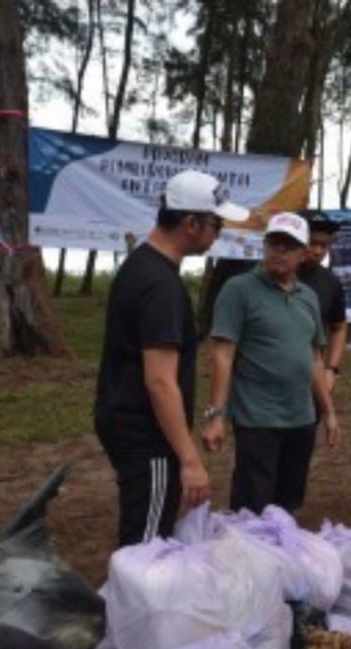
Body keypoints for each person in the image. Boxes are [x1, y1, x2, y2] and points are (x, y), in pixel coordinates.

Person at [94, 169, 247, 545]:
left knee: (145, 526)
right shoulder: (160, 285)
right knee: (145, 545)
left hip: (127, 422)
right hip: (146, 434)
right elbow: (160, 381)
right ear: (191, 223)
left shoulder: (141, 266)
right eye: (217, 223)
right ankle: (134, 603)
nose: (220, 233)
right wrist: (190, 460)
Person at [202, 212, 342, 514]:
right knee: (252, 510)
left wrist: (328, 412)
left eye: (289, 246)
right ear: (264, 246)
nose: (280, 252)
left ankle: (280, 560)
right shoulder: (239, 289)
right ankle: (250, 560)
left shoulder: (309, 297)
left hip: (301, 420)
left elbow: (314, 357)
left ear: (304, 254)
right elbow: (222, 355)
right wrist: (216, 416)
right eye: (274, 244)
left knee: (288, 506)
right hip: (257, 421)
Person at [297, 209, 349, 392]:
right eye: (312, 243)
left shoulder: (331, 282)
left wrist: (331, 369)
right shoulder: (273, 277)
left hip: (313, 381)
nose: (318, 251)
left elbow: (339, 327)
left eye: (324, 245)